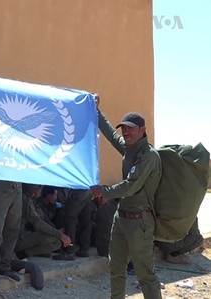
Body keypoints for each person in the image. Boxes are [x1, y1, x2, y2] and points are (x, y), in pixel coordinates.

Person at [91, 95, 162, 299]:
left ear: (143, 130)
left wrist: (103, 191)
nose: (126, 131)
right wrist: (96, 112)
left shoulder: (149, 156)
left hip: (140, 223)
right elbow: (111, 135)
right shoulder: (129, 149)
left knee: (145, 276)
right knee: (116, 268)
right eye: (124, 127)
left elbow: (131, 187)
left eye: (131, 128)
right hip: (121, 219)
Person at [15, 184, 71, 260]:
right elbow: (37, 222)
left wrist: (57, 233)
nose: (40, 189)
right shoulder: (24, 199)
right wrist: (59, 234)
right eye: (38, 186)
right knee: (55, 242)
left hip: (25, 234)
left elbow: (44, 218)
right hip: (18, 237)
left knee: (55, 241)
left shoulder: (33, 200)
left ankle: (21, 254)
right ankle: (19, 255)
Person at [56, 188, 93, 259]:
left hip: (79, 189)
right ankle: (84, 249)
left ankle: (69, 251)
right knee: (85, 220)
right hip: (87, 188)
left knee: (69, 217)